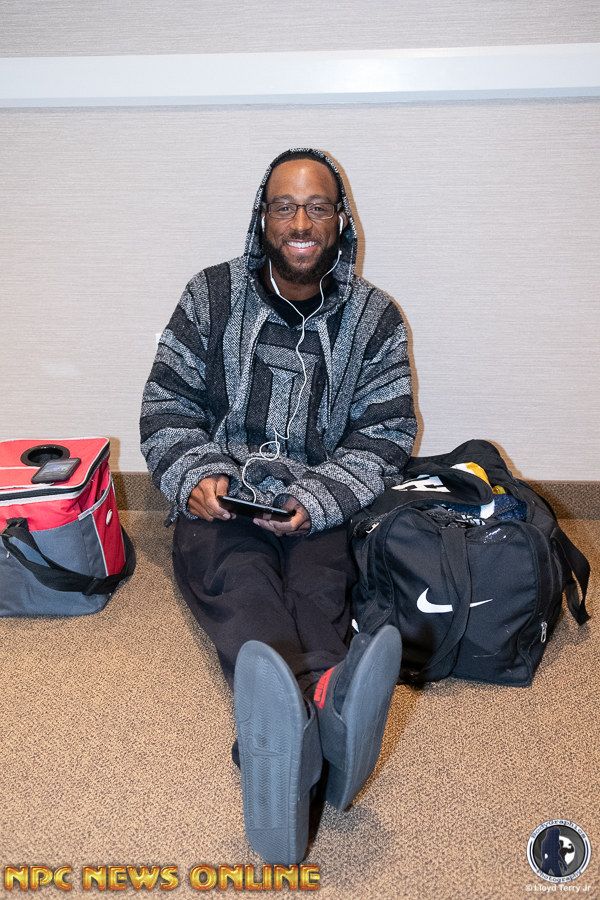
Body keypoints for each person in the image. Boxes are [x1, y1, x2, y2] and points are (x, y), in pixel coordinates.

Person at [140, 148, 417, 864]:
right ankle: (314, 718)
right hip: (223, 501)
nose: (300, 223)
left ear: (340, 221)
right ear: (261, 217)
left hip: (317, 499)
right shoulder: (210, 296)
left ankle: (298, 730)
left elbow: (387, 433)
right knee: (244, 587)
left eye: (317, 207)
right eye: (285, 206)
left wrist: (316, 500)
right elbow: (167, 404)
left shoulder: (376, 319)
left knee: (321, 586)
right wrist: (196, 475)